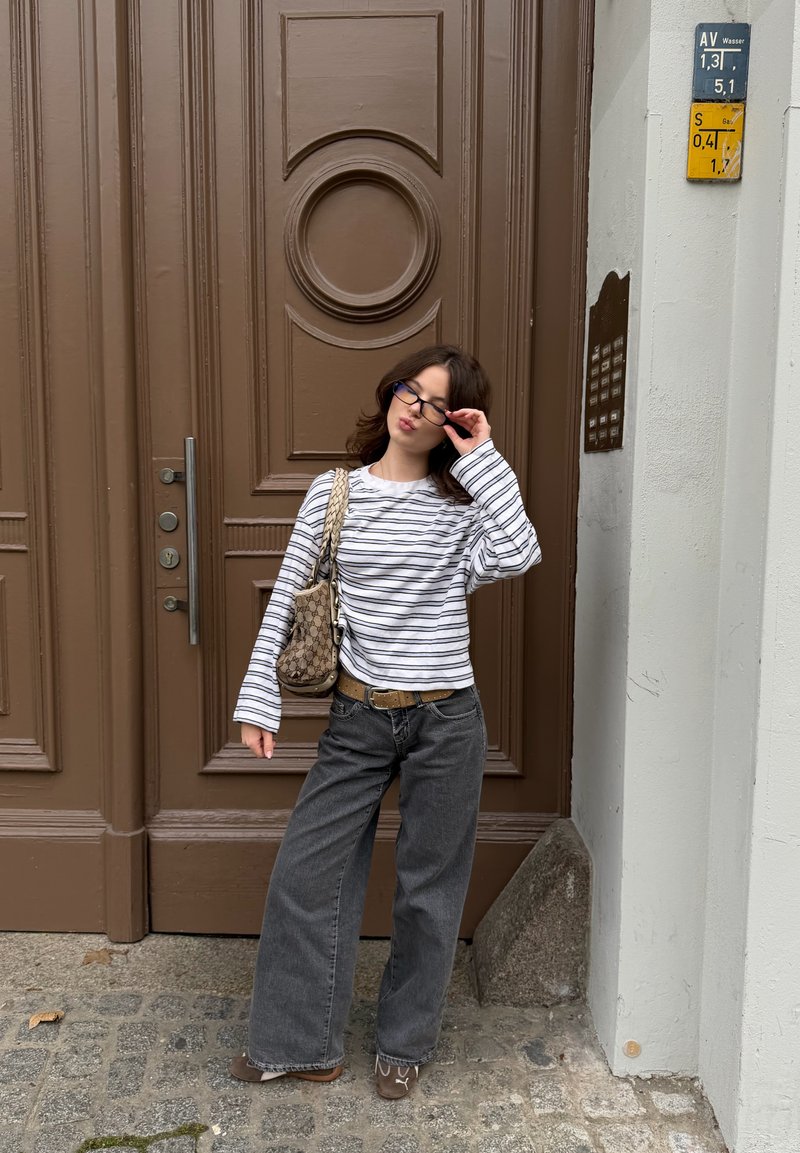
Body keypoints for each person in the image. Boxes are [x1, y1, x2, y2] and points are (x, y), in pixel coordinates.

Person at [230, 344, 542, 1099]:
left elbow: (522, 550)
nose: (417, 408)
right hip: (358, 715)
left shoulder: (464, 508)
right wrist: (257, 696)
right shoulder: (335, 492)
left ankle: (404, 1041)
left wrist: (485, 456)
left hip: (447, 719)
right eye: (412, 390)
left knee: (429, 887)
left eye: (439, 405)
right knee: (307, 873)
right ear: (392, 392)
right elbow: (288, 593)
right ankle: (301, 1042)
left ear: (453, 423)